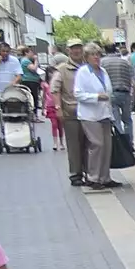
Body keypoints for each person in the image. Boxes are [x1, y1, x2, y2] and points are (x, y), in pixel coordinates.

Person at [73, 44, 116, 192]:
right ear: (86, 57)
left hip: (105, 113)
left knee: (107, 146)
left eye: (98, 54)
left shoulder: (103, 71)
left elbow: (108, 91)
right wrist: (96, 97)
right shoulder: (83, 72)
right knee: (96, 145)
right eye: (93, 55)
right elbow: (78, 94)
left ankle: (105, 177)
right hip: (90, 115)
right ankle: (93, 177)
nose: (96, 57)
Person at [50, 42, 87, 185]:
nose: (77, 51)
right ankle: (76, 174)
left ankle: (90, 172)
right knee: (74, 145)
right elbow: (55, 89)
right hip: (72, 111)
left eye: (79, 48)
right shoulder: (62, 69)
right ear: (68, 51)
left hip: (90, 111)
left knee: (90, 144)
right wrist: (58, 108)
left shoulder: (88, 67)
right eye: (73, 49)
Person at [0, 41, 23, 140]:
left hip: (10, 91)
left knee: (9, 113)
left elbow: (19, 75)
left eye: (7, 51)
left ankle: (10, 133)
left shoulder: (14, 60)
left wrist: (13, 83)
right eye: (3, 51)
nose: (5, 53)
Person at [101, 45, 135, 140]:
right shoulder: (125, 62)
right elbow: (133, 79)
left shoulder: (102, 63)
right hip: (125, 93)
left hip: (111, 94)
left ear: (105, 50)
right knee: (127, 120)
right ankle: (130, 143)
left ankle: (121, 142)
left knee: (116, 120)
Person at [19, 52, 43, 117]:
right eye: (31, 53)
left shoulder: (27, 60)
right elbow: (34, 69)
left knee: (33, 98)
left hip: (32, 81)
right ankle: (33, 115)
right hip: (29, 81)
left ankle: (32, 114)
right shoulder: (25, 61)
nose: (33, 55)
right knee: (33, 98)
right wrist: (36, 60)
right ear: (26, 53)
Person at [43, 77, 62, 151]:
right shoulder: (45, 84)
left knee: (60, 126)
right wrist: (43, 107)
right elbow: (44, 96)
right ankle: (55, 143)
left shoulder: (58, 84)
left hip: (58, 106)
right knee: (54, 125)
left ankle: (61, 143)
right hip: (50, 107)